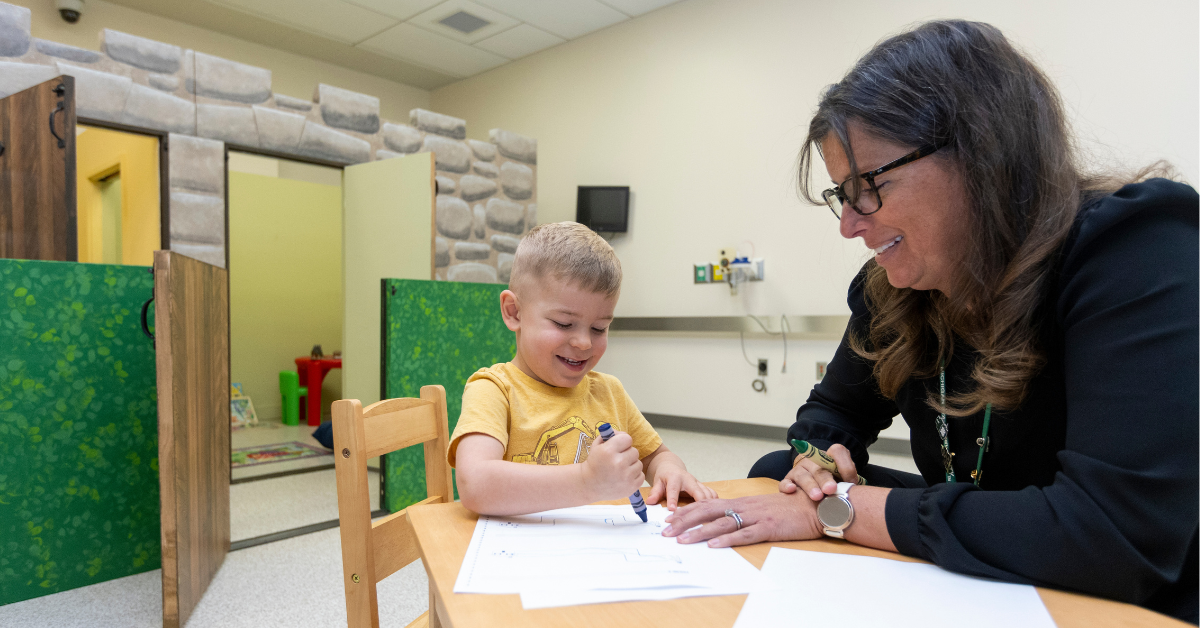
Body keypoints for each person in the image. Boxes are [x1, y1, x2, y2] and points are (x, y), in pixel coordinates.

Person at [661, 19, 1198, 623]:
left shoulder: (1134, 246)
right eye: (843, 194)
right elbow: (834, 413)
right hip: (996, 550)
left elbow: (1115, 536)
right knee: (778, 472)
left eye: (869, 187)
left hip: (1128, 586)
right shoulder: (896, 289)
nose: (849, 225)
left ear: (980, 153)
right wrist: (817, 461)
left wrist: (834, 511)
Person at [450, 221, 716, 516]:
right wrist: (587, 481)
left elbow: (656, 456)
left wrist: (670, 470)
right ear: (514, 312)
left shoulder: (609, 391)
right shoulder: (493, 389)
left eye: (599, 328)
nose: (583, 343)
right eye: (564, 324)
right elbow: (475, 485)